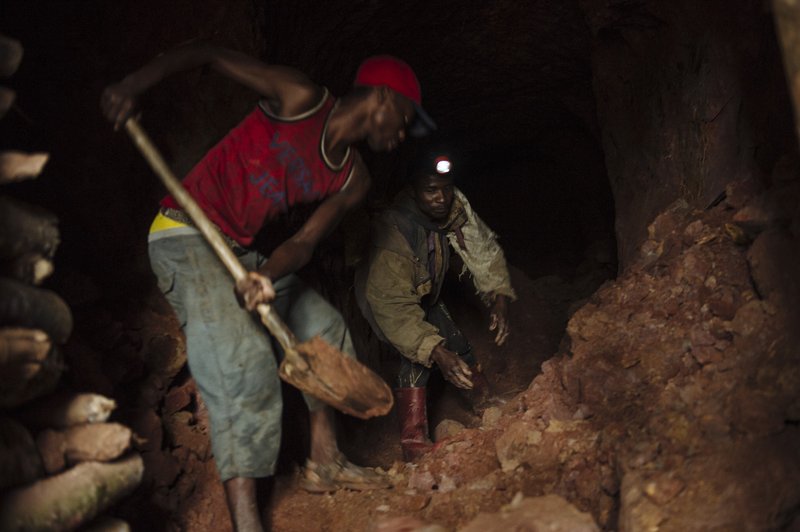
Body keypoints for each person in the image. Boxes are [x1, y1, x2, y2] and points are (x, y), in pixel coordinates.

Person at [101, 42, 435, 531]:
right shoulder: (300, 97)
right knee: (245, 360)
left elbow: (302, 242)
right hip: (184, 233)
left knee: (326, 328)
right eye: (405, 116)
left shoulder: (353, 178)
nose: (404, 131)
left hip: (236, 251)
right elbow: (209, 53)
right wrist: (132, 86)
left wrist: (265, 276)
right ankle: (246, 520)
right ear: (383, 97)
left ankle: (325, 462)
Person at [355, 152, 516, 461]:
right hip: (385, 302)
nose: (441, 197)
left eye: (446, 187)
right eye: (431, 189)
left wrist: (499, 297)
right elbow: (394, 308)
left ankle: (485, 401)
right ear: (414, 188)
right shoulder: (395, 229)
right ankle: (413, 442)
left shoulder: (451, 205)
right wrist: (435, 351)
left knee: (455, 343)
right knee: (420, 356)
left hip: (424, 293)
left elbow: (483, 248)